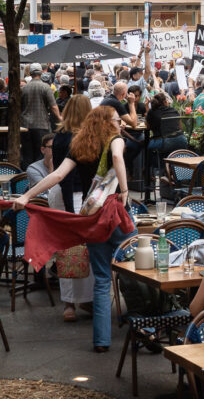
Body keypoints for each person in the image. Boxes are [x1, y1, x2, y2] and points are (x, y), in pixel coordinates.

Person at [14, 106, 134, 352]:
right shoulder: (115, 139)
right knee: (138, 270)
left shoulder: (78, 146)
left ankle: (101, 341)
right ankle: (145, 325)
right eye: (116, 120)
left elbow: (57, 175)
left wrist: (27, 196)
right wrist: (123, 190)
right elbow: (117, 158)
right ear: (107, 123)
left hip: (93, 218)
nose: (120, 123)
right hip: (116, 215)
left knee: (102, 279)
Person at [50, 94, 94, 322]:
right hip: (74, 196)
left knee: (66, 250)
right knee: (81, 250)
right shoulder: (79, 138)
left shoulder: (59, 136)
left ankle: (72, 303)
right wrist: (70, 210)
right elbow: (67, 177)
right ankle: (79, 301)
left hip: (63, 193)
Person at [21, 63, 62, 168]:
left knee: (27, 154)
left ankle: (26, 178)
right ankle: (39, 178)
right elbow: (53, 106)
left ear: (30, 73)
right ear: (41, 72)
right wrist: (60, 118)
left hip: (25, 126)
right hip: (41, 125)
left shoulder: (24, 88)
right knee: (41, 154)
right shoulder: (46, 87)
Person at [146, 92, 187, 174]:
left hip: (164, 142)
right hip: (181, 140)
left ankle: (156, 171)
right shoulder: (173, 110)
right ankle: (171, 172)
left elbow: (147, 127)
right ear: (165, 102)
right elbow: (181, 127)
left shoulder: (152, 112)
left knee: (148, 146)